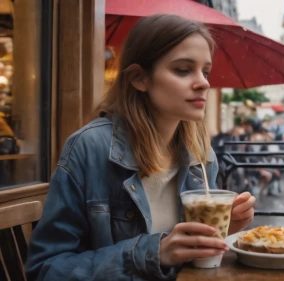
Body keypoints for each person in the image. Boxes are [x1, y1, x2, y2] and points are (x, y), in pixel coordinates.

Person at [25, 14, 256, 281]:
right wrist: (153, 253)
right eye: (183, 69)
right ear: (139, 78)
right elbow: (46, 269)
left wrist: (225, 230)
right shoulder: (90, 148)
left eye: (205, 71)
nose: (203, 82)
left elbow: (193, 261)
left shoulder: (200, 154)